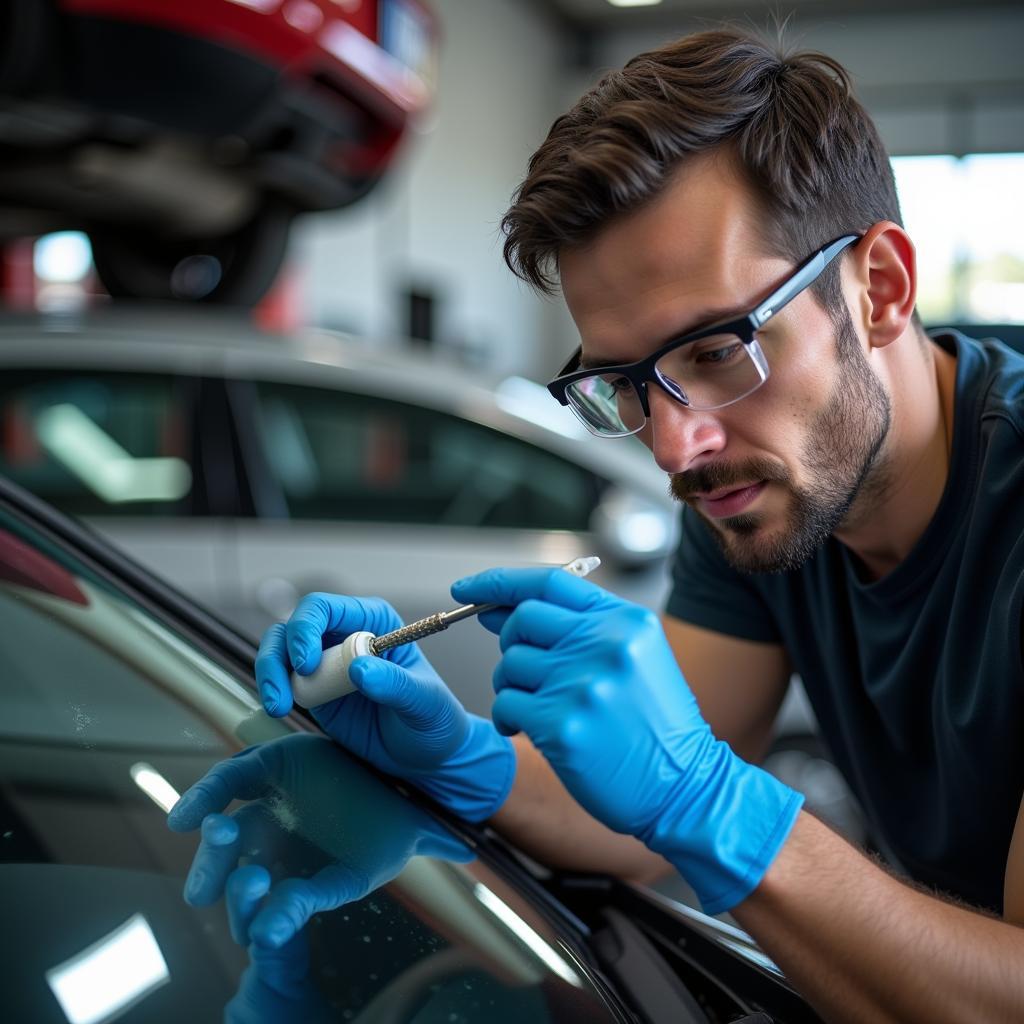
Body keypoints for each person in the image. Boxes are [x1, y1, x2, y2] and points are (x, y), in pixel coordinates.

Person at [252, 28, 1024, 1021]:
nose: (673, 447)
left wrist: (711, 802)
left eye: (714, 348)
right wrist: (458, 754)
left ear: (877, 289)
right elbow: (631, 806)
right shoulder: (763, 486)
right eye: (623, 382)